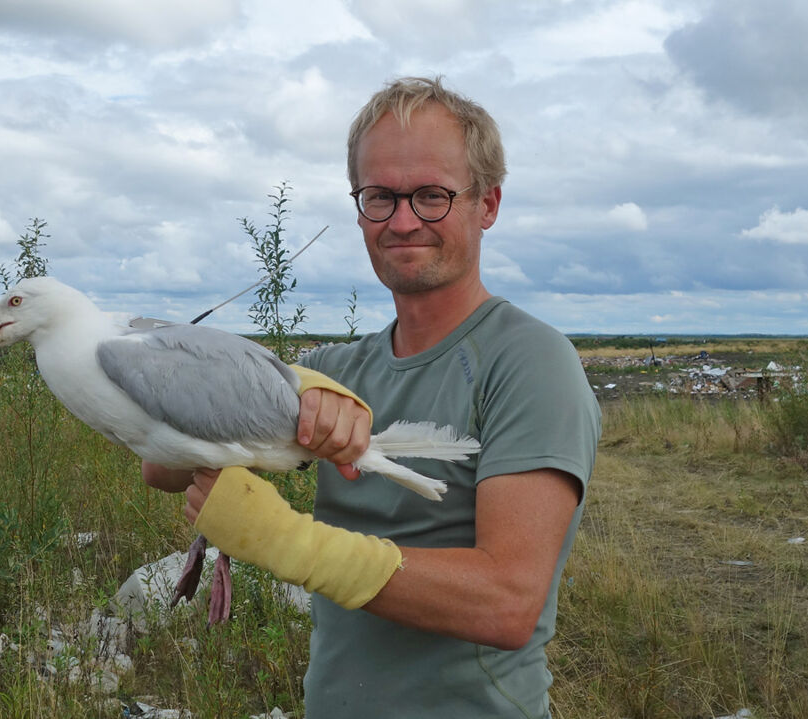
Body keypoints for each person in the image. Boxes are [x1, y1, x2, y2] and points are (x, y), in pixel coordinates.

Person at [143, 76, 600, 718]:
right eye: (380, 196)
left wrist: (283, 540)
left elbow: (507, 603)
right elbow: (161, 465)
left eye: (432, 196)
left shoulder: (529, 362)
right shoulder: (337, 370)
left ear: (488, 205)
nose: (404, 220)